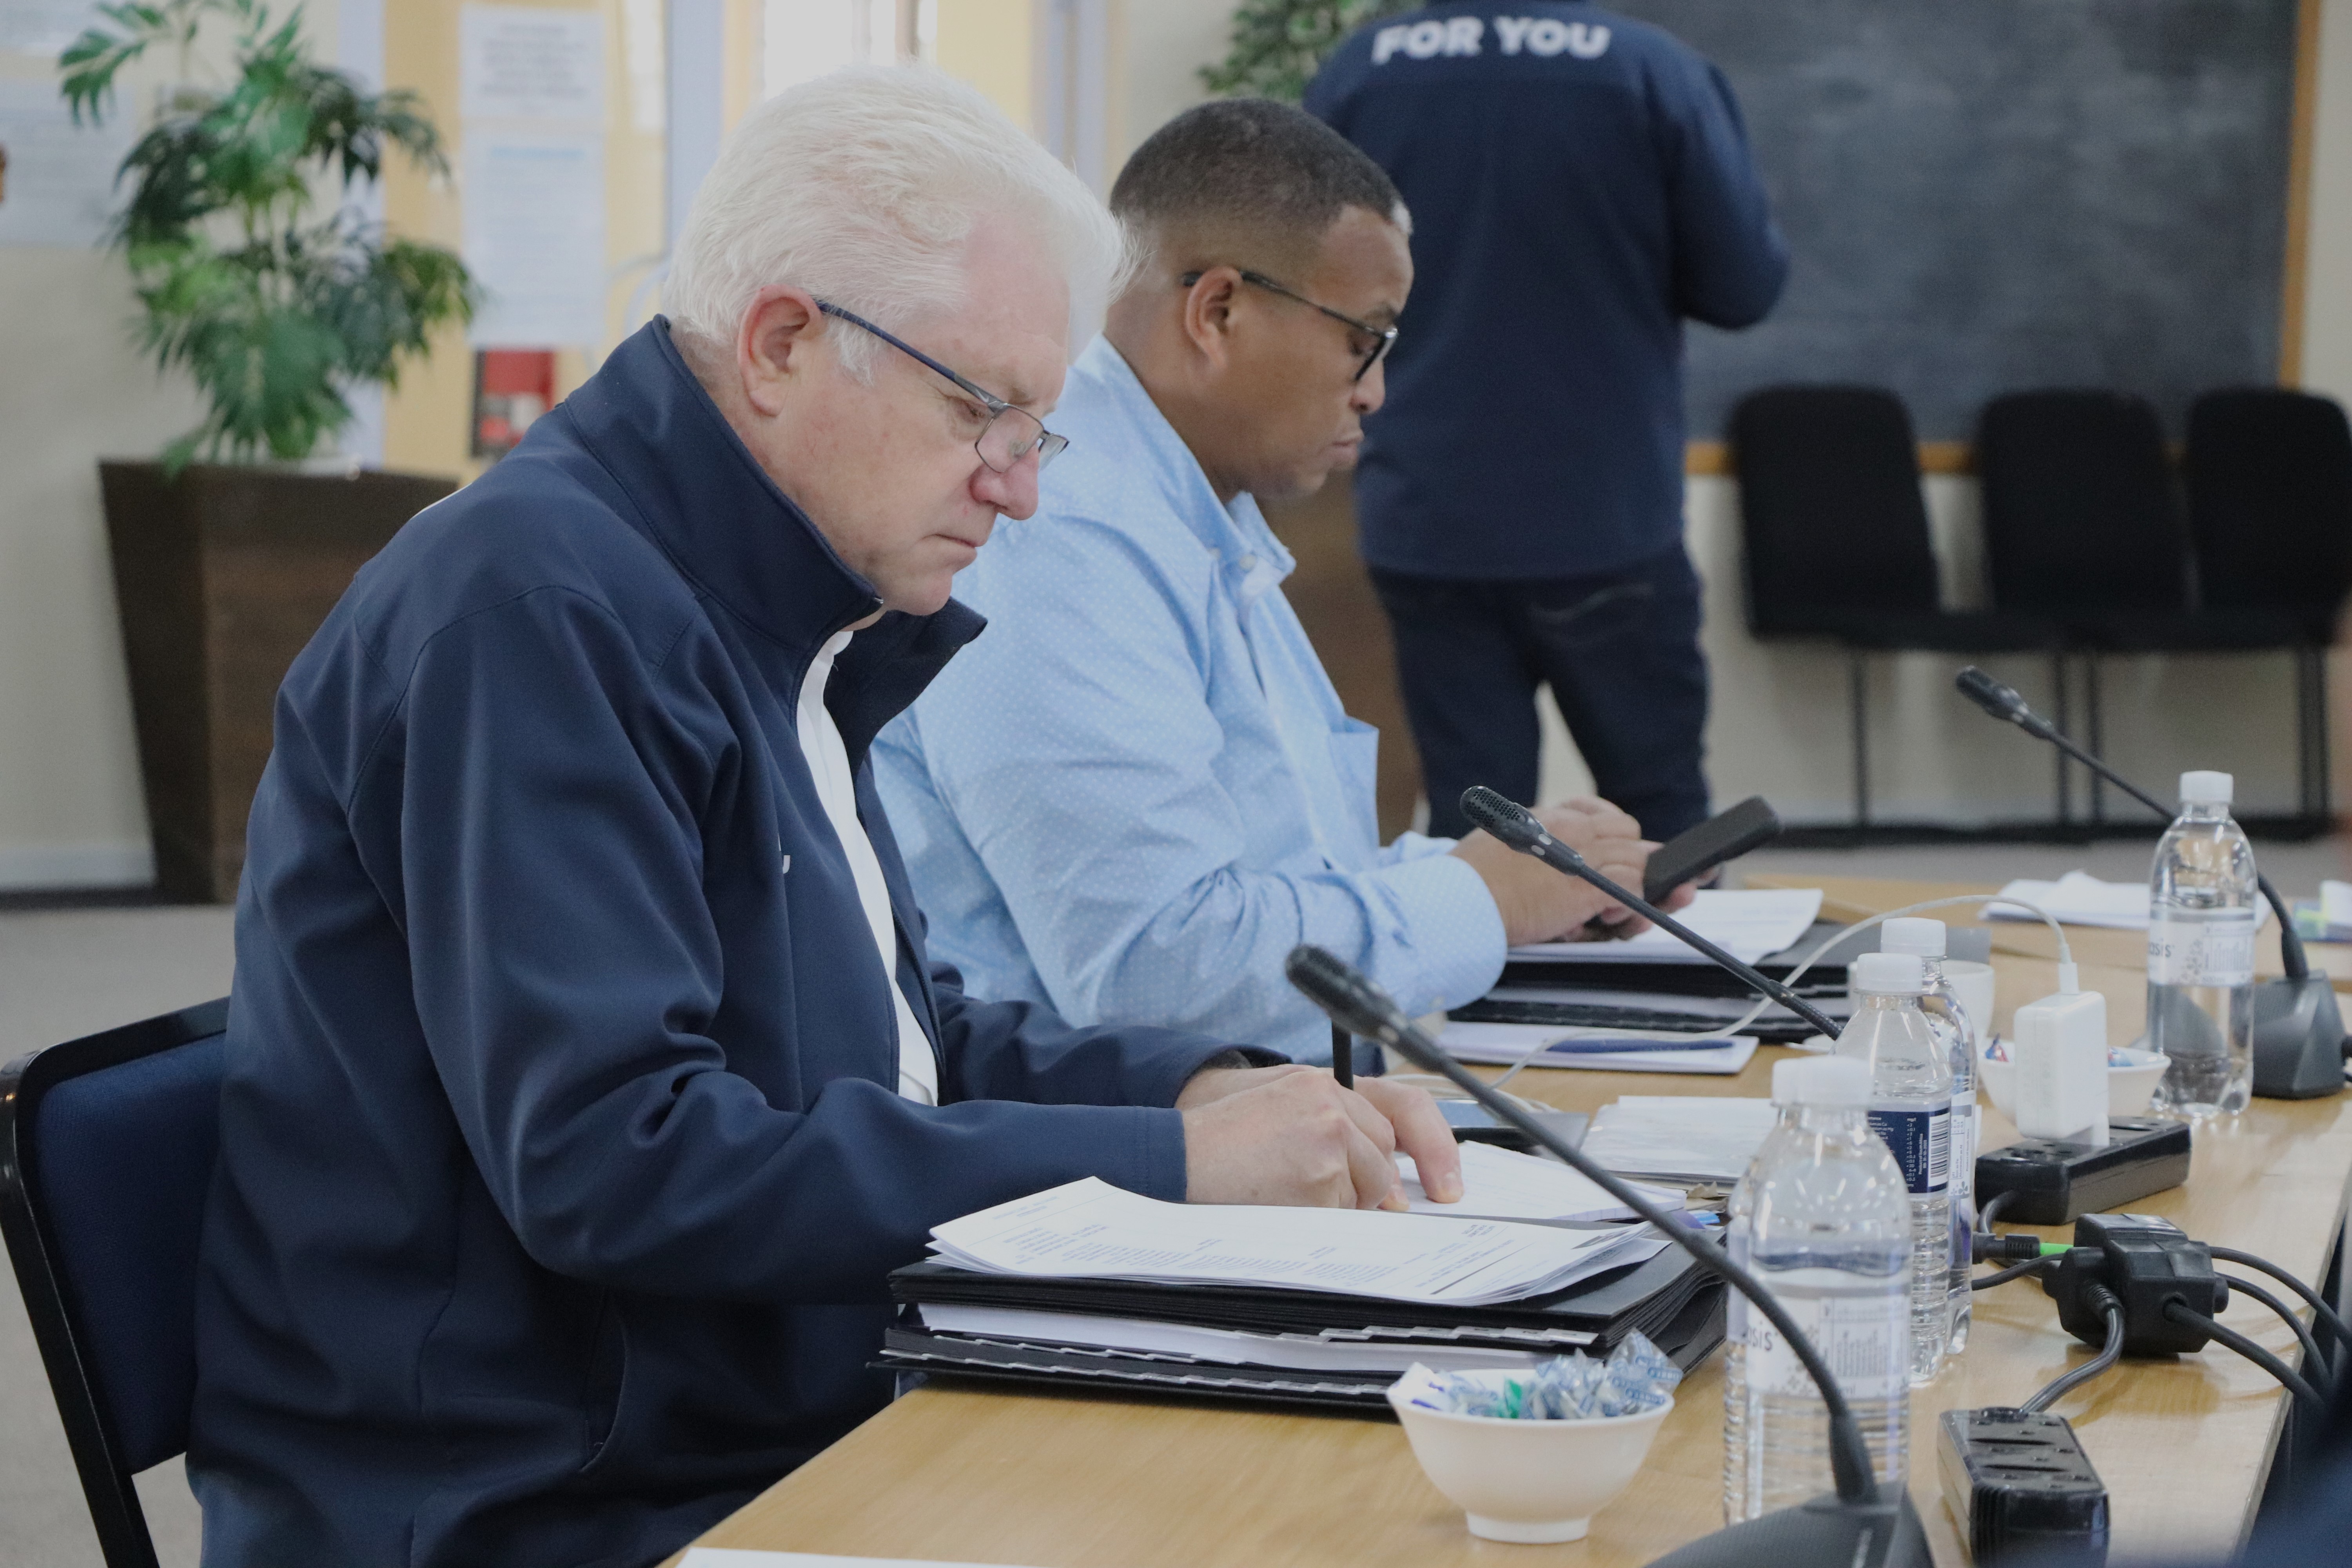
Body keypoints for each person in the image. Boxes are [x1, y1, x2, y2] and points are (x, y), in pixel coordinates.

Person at [187, 70, 1460, 1568]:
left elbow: (887, 1043)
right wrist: (1162, 1167)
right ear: (785, 343)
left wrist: (1190, 1090)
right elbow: (623, 1162)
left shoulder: (767, 596)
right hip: (542, 1495)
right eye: (983, 408)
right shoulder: (536, 613)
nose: (1020, 492)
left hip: (747, 1409)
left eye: (1038, 427)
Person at [874, 99, 1688, 1065]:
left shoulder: (1198, 516)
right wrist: (1487, 898)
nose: (1376, 389)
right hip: (1087, 1168)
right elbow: (1152, 969)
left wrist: (1532, 876)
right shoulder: (1062, 532)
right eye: (1365, 339)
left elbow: (1289, 874)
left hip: (1256, 1122)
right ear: (1218, 313)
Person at [1305, 1, 1788, 842]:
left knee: (1479, 825)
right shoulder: (1649, 71)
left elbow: (1299, 283)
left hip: (1427, 511)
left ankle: (1487, 975)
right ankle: (1674, 968)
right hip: (1607, 516)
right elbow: (1743, 288)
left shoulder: (1361, 72)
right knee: (1665, 826)